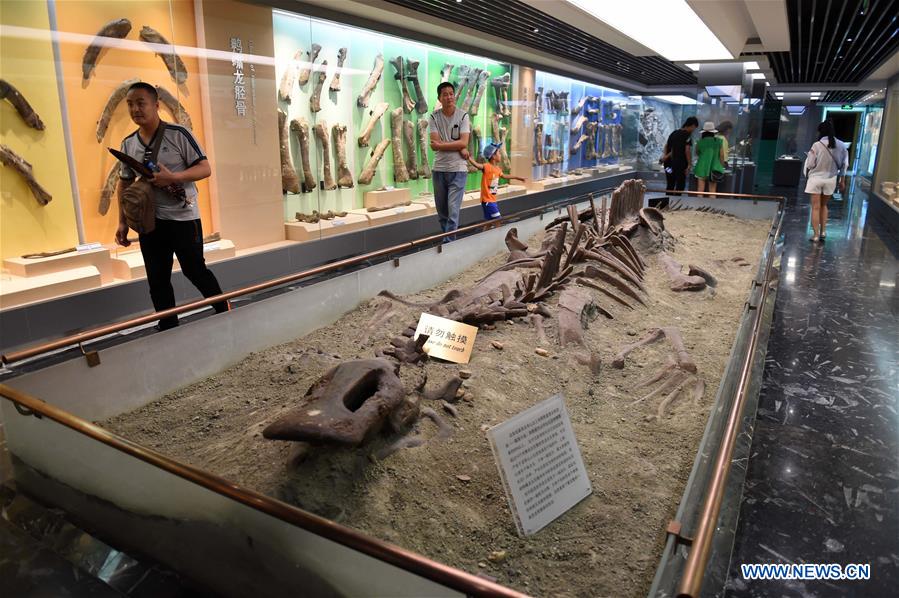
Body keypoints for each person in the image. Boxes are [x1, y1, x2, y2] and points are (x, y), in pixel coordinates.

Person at [115, 82, 229, 330]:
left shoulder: (178, 134)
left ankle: (225, 311)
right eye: (130, 104)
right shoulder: (128, 144)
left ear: (156, 105)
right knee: (157, 279)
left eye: (141, 103)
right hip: (149, 223)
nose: (135, 109)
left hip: (183, 218)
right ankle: (168, 327)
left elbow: (205, 168)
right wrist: (122, 222)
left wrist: (173, 178)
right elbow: (123, 184)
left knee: (195, 270)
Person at [429, 81, 470, 239]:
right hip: (439, 169)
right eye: (445, 94)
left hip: (458, 169)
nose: (449, 97)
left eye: (451, 94)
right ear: (439, 98)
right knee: (442, 212)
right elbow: (434, 146)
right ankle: (448, 243)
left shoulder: (463, 116)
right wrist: (457, 146)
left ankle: (448, 246)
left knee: (453, 211)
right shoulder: (434, 117)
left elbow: (464, 142)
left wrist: (443, 144)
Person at [803, 120, 849, 242]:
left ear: (820, 131)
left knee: (815, 207)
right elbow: (845, 165)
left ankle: (816, 235)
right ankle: (823, 232)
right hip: (831, 179)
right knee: (824, 205)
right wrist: (842, 180)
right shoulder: (842, 145)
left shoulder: (816, 145)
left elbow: (811, 164)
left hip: (816, 179)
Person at [467, 142, 526, 224]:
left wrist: (518, 178)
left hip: (492, 200)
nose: (500, 155)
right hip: (488, 201)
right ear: (493, 156)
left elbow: (504, 176)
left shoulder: (498, 169)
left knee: (489, 223)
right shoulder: (487, 166)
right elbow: (477, 165)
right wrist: (469, 158)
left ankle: (484, 235)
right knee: (498, 221)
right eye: (498, 153)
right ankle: (499, 236)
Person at [661, 116, 699, 193]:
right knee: (680, 184)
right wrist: (689, 164)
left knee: (670, 183)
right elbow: (687, 150)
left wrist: (665, 156)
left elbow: (666, 145)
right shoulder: (687, 136)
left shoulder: (674, 133)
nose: (693, 130)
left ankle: (668, 200)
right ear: (692, 125)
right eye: (694, 128)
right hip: (680, 165)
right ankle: (677, 201)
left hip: (668, 165)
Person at [693, 122, 726, 196]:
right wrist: (722, 166)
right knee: (712, 191)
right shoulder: (718, 141)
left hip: (701, 167)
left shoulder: (700, 142)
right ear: (713, 132)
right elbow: (721, 155)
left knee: (700, 190)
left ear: (703, 132)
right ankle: (712, 206)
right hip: (715, 168)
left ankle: (698, 206)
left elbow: (697, 153)